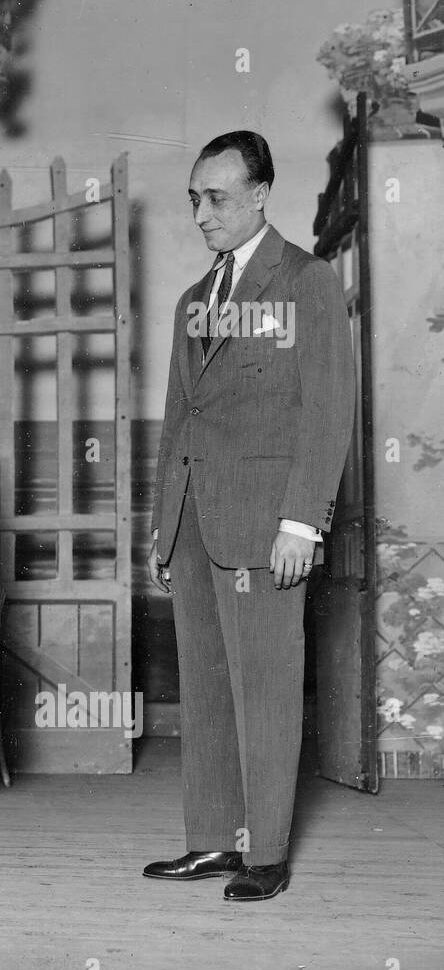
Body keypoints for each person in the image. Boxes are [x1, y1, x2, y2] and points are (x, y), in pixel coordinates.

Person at [144, 131, 354, 901]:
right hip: (196, 523)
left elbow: (328, 410)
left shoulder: (307, 281)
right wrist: (162, 530)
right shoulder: (193, 301)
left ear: (261, 193)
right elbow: (178, 420)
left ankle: (264, 850)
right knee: (205, 687)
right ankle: (210, 840)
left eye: (218, 197)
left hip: (268, 526)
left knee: (265, 687)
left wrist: (303, 522)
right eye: (195, 198)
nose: (202, 214)